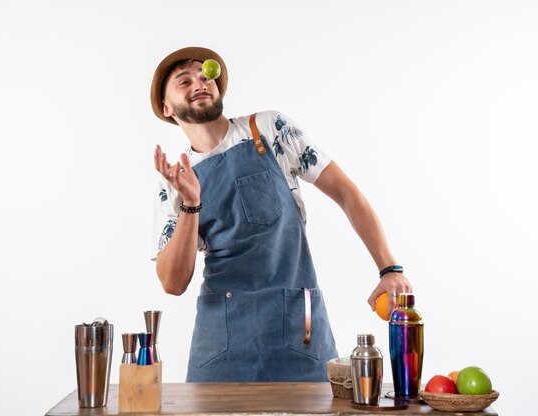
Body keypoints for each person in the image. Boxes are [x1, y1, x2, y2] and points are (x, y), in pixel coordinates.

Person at [150, 46, 412, 382]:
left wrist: (389, 268)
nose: (199, 83)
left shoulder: (268, 129)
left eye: (205, 76)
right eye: (184, 81)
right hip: (221, 344)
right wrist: (190, 203)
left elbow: (348, 194)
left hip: (297, 330)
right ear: (166, 107)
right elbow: (172, 282)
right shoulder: (176, 179)